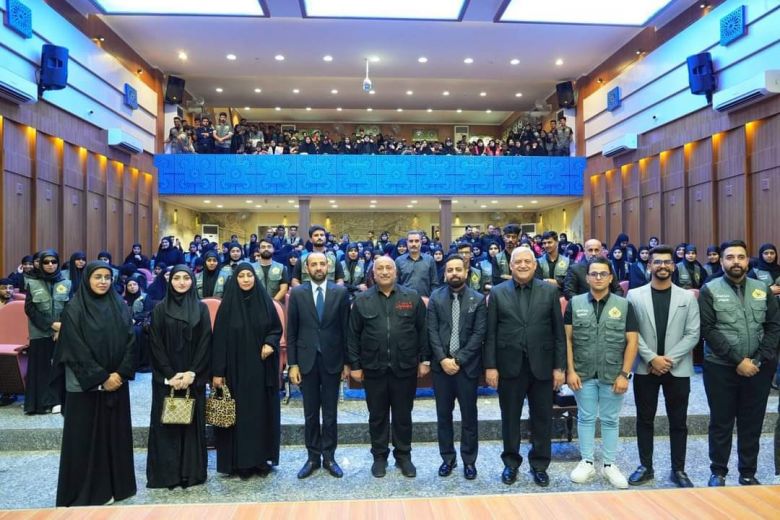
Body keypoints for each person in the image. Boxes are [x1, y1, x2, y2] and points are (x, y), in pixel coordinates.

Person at [54, 261, 137, 506]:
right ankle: (88, 491)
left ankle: (117, 487)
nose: (103, 281)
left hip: (117, 383)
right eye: (97, 277)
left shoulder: (120, 305)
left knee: (114, 436)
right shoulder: (74, 308)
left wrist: (119, 374)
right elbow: (75, 348)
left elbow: (131, 341)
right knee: (85, 440)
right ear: (87, 279)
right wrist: (102, 378)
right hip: (85, 386)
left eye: (107, 277)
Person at [699, 240, 780, 486]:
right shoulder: (709, 289)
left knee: (752, 422)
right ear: (722, 261)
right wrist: (738, 361)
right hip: (720, 368)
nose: (736, 261)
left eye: (741, 257)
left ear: (747, 260)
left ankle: (747, 473)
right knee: (721, 422)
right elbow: (708, 330)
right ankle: (718, 472)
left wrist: (756, 360)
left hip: (758, 368)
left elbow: (773, 326)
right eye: (730, 257)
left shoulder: (762, 288)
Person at [484, 247, 566, 487]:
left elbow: (558, 333)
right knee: (510, 418)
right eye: (517, 261)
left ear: (534, 265)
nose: (522, 265)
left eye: (527, 261)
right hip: (509, 366)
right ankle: (511, 463)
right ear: (510, 266)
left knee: (542, 418)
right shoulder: (497, 292)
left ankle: (539, 465)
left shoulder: (549, 291)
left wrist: (559, 368)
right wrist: (490, 366)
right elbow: (490, 333)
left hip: (542, 366)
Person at [347, 256, 430, 478]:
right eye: (380, 269)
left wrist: (424, 360)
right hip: (373, 368)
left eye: (388, 268)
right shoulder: (362, 299)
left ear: (396, 272)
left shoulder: (411, 297)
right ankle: (379, 457)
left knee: (403, 416)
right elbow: (352, 335)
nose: (384, 272)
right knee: (377, 416)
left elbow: (423, 331)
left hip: (405, 368)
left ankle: (404, 457)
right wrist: (355, 365)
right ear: (373, 274)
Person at [625, 245, 699, 488]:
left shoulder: (687, 297)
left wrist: (667, 360)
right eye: (657, 262)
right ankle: (645, 466)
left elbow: (693, 334)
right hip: (645, 368)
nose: (663, 266)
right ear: (650, 266)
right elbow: (631, 332)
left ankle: (678, 469)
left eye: (667, 262)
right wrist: (651, 358)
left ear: (673, 266)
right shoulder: (634, 295)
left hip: (677, 369)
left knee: (678, 422)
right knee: (644, 420)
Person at [565, 257, 639, 489]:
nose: (598, 277)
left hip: (613, 373)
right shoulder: (575, 303)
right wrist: (570, 371)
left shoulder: (624, 305)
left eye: (603, 274)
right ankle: (587, 462)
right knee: (586, 417)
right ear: (587, 278)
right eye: (594, 274)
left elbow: (632, 342)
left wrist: (624, 374)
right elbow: (567, 340)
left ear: (610, 277)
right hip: (583, 372)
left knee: (610, 419)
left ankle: (609, 464)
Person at [211, 263, 283, 479]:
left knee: (260, 415)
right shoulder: (227, 306)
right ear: (235, 279)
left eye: (249, 275)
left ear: (255, 278)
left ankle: (260, 460)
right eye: (241, 276)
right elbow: (219, 341)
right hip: (235, 373)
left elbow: (276, 329)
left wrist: (270, 342)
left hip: (261, 371)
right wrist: (217, 372)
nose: (245, 279)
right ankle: (239, 463)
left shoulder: (265, 302)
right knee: (239, 417)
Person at [147, 266, 211, 489]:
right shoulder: (160, 309)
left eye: (186, 278)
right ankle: (168, 475)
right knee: (167, 424)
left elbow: (205, 341)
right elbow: (155, 343)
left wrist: (192, 372)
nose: (182, 282)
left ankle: (191, 473)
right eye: (177, 278)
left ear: (192, 281)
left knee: (192, 423)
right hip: (167, 378)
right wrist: (170, 374)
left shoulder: (201, 308)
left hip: (193, 377)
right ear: (170, 281)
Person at [287, 253, 351, 479]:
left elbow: (346, 329)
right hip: (306, 361)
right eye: (313, 264)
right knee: (310, 414)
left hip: (333, 360)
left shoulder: (340, 292)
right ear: (306, 268)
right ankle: (313, 457)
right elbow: (292, 331)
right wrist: (293, 364)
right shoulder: (297, 293)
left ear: (328, 266)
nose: (318, 268)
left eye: (322, 264)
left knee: (331, 413)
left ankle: (329, 457)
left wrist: (347, 363)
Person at [427, 254, 486, 480]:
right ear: (444, 274)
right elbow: (431, 331)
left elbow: (479, 334)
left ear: (466, 272)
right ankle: (447, 459)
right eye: (450, 270)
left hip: (467, 368)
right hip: (441, 368)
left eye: (458, 269)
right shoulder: (435, 297)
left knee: (469, 416)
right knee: (444, 416)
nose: (454, 273)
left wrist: (458, 360)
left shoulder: (477, 299)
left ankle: (469, 461)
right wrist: (443, 359)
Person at [24, 249, 70, 415]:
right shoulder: (32, 283)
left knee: (58, 368)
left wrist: (61, 327)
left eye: (53, 261)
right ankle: (40, 404)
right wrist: (51, 325)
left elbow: (70, 308)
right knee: (41, 369)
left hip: (61, 333)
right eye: (46, 262)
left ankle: (57, 401)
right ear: (41, 264)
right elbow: (30, 309)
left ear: (58, 263)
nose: (50, 265)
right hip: (39, 332)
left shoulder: (67, 283)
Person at [124, 274, 153, 372]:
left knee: (136, 331)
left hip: (142, 323)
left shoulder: (145, 297)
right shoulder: (123, 299)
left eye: (134, 284)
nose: (132, 287)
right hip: (126, 322)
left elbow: (148, 311)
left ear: (138, 285)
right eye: (129, 285)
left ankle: (139, 363)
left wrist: (135, 319)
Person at [395, 230, 438, 297]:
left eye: (416, 241)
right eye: (411, 241)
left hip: (425, 300)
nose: (414, 244)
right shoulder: (399, 261)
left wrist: (431, 300)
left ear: (421, 242)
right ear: (407, 243)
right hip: (405, 300)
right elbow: (396, 284)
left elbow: (434, 284)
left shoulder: (429, 260)